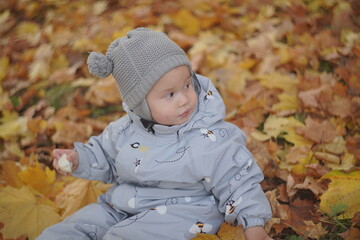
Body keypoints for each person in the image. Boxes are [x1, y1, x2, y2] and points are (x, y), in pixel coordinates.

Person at [37, 27, 272, 240]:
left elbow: (237, 179)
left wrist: (253, 223)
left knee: (125, 236)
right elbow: (105, 155)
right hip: (120, 205)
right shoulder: (124, 130)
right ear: (140, 104)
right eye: (169, 94)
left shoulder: (209, 137)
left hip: (181, 212)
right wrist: (80, 159)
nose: (183, 100)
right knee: (72, 229)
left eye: (187, 85)